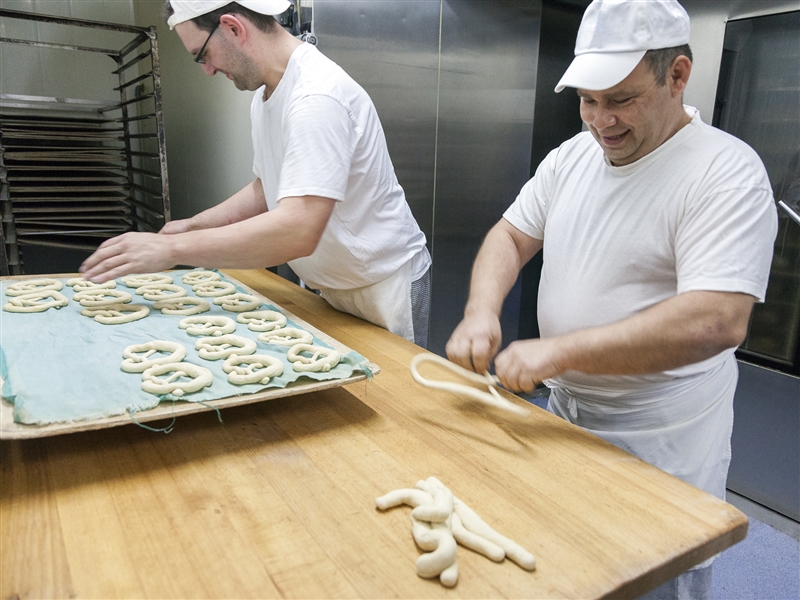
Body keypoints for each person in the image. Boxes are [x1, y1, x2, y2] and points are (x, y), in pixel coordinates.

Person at [445, 0, 777, 597]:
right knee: (571, 567)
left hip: (662, 440)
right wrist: (480, 310)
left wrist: (559, 352)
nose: (601, 121)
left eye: (621, 100)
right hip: (566, 420)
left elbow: (717, 320)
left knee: (649, 580)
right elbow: (512, 235)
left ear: (677, 75)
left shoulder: (725, 173)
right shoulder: (573, 157)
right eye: (587, 100)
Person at [80, 0, 432, 346]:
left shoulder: (316, 96)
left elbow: (298, 229)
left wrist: (173, 250)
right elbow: (269, 187)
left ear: (233, 27)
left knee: (397, 400)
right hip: (332, 286)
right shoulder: (265, 96)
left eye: (202, 55)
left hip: (382, 288)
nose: (207, 70)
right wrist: (191, 226)